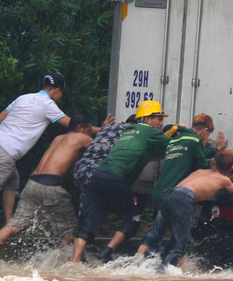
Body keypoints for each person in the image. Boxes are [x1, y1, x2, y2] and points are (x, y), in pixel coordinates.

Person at [0, 72, 70, 237]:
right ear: (57, 90)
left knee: (11, 181)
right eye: (62, 92)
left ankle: (9, 224)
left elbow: (0, 116)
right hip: (7, 150)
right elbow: (70, 124)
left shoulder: (24, 97)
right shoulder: (47, 104)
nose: (62, 96)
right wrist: (97, 129)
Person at [0, 115, 95, 266]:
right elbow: (101, 147)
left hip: (31, 184)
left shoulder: (58, 138)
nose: (90, 134)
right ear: (80, 128)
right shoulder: (81, 138)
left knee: (15, 224)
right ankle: (67, 262)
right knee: (69, 227)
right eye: (89, 130)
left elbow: (65, 161)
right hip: (51, 186)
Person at [70, 100, 171, 263]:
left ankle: (72, 266)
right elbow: (174, 145)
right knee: (133, 219)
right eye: (158, 118)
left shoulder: (128, 130)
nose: (161, 123)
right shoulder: (148, 130)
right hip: (115, 180)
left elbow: (145, 154)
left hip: (96, 177)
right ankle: (107, 252)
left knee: (87, 229)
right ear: (146, 119)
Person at [137, 150, 233, 270]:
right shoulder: (223, 180)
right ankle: (163, 271)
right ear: (230, 169)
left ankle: (149, 255)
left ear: (213, 162)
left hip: (168, 196)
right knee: (183, 244)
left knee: (167, 236)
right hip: (182, 199)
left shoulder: (199, 172)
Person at [137, 113, 225, 255]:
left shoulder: (177, 140)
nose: (208, 139)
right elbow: (201, 165)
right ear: (205, 131)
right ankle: (174, 267)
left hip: (160, 192)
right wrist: (220, 157)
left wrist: (214, 150)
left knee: (155, 234)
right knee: (182, 241)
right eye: (209, 135)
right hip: (174, 197)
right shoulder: (195, 140)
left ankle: (138, 259)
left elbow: (189, 155)